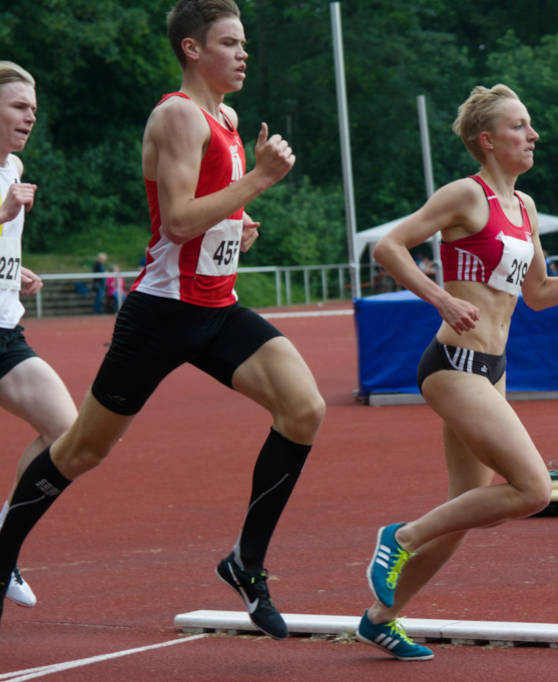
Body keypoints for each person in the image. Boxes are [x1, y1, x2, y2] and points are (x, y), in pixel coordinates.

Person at [0, 0, 325, 638]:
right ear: (192, 50)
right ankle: (4, 551)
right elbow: (175, 220)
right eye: (229, 43)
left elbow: (205, 217)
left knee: (304, 409)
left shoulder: (226, 117)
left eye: (244, 43)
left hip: (218, 309)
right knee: (81, 448)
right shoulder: (177, 115)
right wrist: (258, 180)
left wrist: (237, 224)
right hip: (161, 313)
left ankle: (246, 563)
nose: (243, 54)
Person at [363, 84, 558, 661]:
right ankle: (398, 538)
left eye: (530, 126)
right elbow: (388, 246)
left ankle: (382, 617)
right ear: (488, 140)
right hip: (453, 365)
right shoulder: (465, 196)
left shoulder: (524, 209)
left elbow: (540, 295)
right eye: (520, 126)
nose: (533, 135)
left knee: (463, 514)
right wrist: (441, 300)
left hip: (493, 369)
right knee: (533, 489)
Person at [0, 61, 79, 613]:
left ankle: (4, 541)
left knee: (68, 430)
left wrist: (13, 268)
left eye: (33, 107)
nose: (30, 115)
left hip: (5, 330)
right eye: (18, 106)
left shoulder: (15, 167)